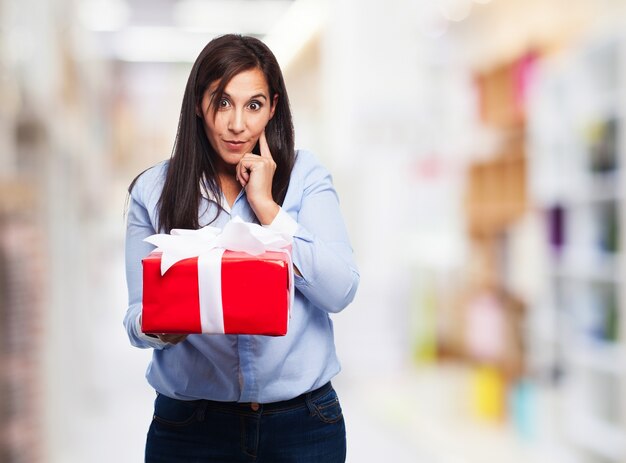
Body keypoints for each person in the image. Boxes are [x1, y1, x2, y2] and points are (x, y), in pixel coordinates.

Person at [123, 34, 360, 462]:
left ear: (272, 107)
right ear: (198, 103)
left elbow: (340, 290)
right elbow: (135, 319)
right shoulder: (153, 190)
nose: (237, 124)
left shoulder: (304, 177)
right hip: (191, 430)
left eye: (253, 105)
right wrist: (162, 327)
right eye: (222, 102)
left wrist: (268, 209)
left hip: (302, 426)